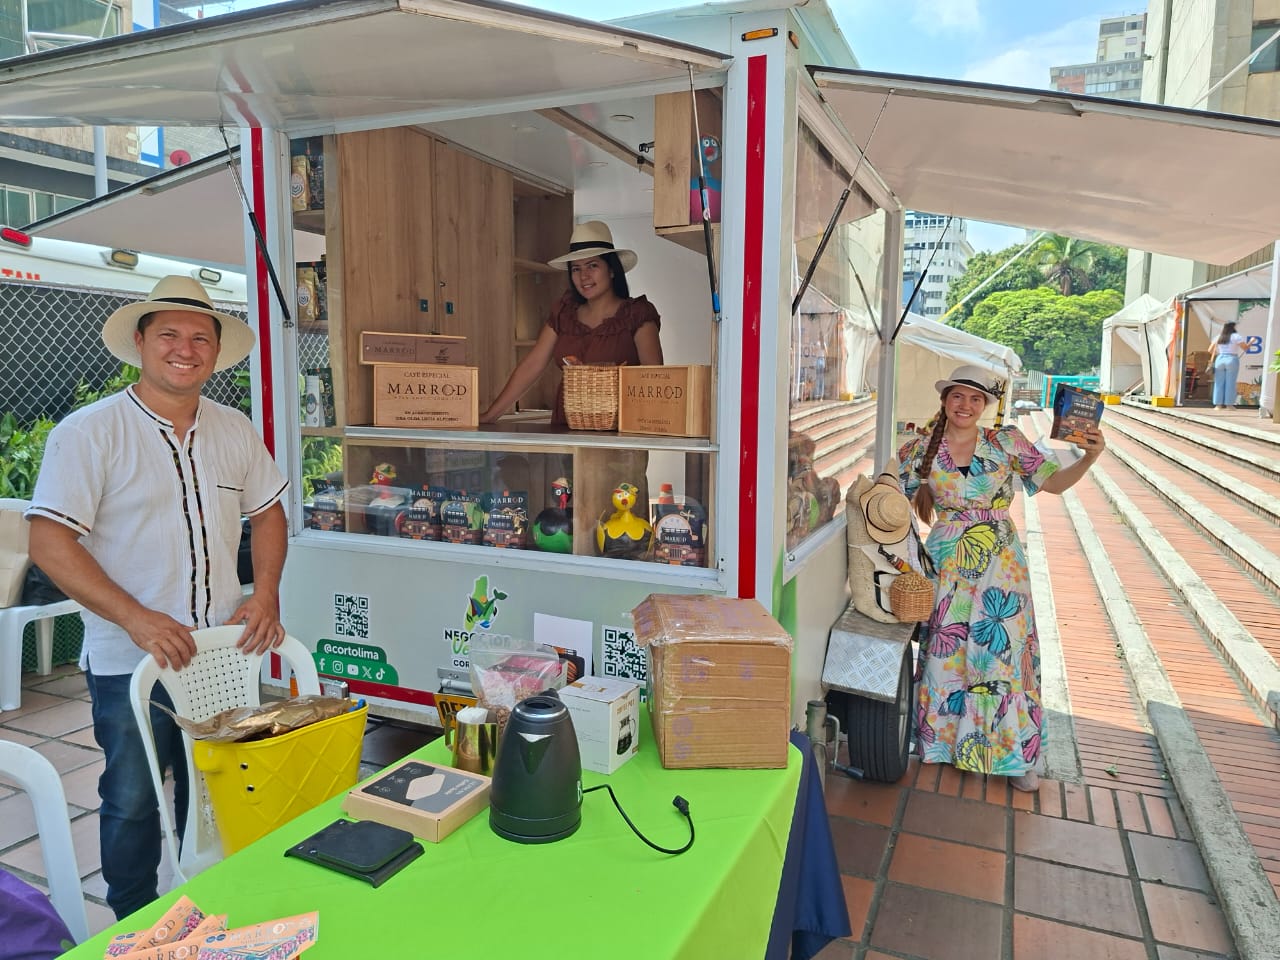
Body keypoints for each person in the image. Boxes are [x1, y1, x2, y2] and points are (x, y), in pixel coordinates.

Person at [25, 275, 289, 919]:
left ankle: (217, 901)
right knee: (133, 796)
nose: (185, 348)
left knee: (217, 787)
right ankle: (135, 918)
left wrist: (268, 595)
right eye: (168, 333)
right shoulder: (90, 432)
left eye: (201, 337)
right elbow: (49, 543)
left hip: (223, 652)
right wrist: (138, 619)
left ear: (216, 352)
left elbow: (270, 514)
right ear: (141, 342)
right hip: (130, 659)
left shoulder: (233, 429)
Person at [897, 364, 1105, 793]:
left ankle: (1014, 756)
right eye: (958, 396)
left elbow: (1053, 483)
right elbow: (887, 496)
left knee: (1002, 654)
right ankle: (946, 746)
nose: (966, 405)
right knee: (947, 649)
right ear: (945, 400)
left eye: (976, 399)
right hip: (949, 559)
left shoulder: (1006, 441)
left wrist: (1089, 457)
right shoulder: (919, 449)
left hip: (1000, 561)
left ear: (986, 405)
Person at [480, 220, 662, 425]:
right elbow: (532, 365)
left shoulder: (637, 314)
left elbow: (653, 380)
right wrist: (491, 415)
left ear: (612, 270)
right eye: (576, 269)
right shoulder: (564, 313)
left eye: (593, 265)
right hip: (567, 427)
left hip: (620, 434)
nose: (584, 276)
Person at [1211, 320, 1247, 409]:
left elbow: (1210, 349)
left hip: (1220, 359)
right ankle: (1229, 405)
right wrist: (1252, 342)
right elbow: (1245, 348)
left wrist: (1219, 354)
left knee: (1219, 382)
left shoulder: (1219, 336)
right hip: (1231, 359)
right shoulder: (1236, 336)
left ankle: (1218, 405)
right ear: (1233, 327)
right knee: (1230, 382)